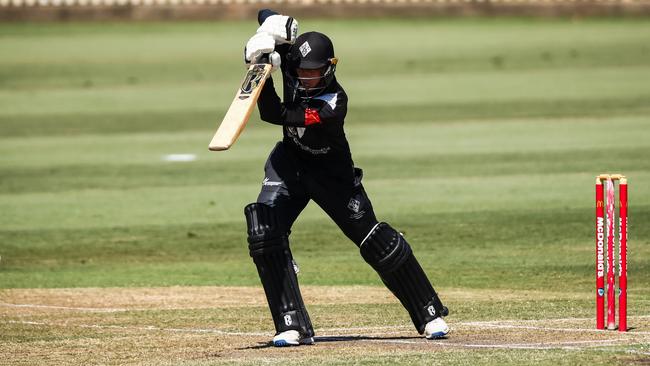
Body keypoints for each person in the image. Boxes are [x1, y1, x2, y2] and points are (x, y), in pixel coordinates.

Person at [242, 9, 450, 347]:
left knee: (375, 243)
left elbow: (275, 113)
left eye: (313, 73)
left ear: (329, 68)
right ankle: (291, 325)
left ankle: (429, 313)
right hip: (290, 166)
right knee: (264, 231)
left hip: (332, 176)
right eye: (301, 72)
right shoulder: (294, 65)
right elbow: (266, 17)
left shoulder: (333, 102)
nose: (305, 78)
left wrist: (264, 74)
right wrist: (268, 34)